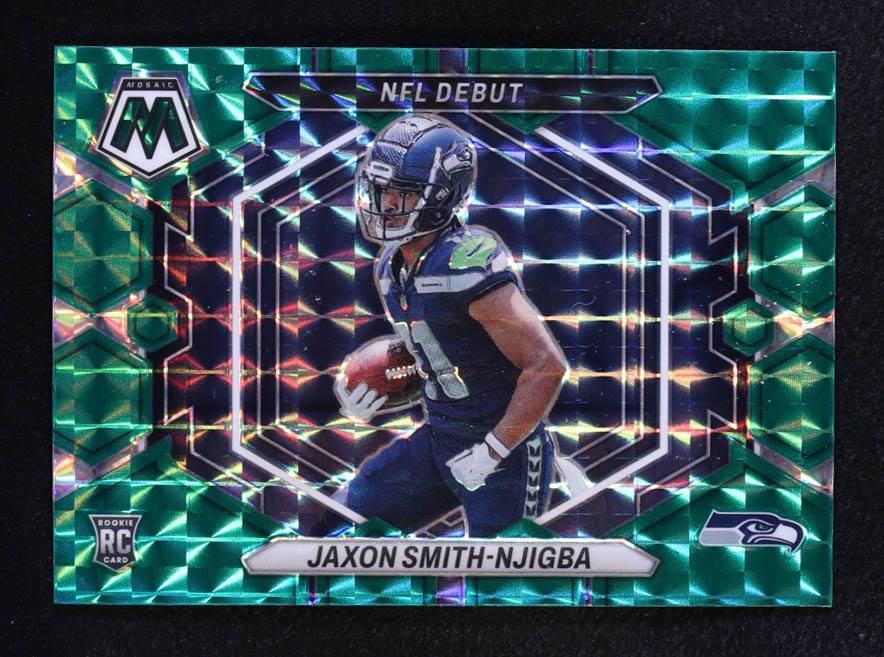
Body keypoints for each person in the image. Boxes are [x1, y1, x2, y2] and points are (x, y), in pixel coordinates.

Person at [334, 114, 568, 537]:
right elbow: (443, 355)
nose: (387, 204)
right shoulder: (389, 267)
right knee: (341, 517)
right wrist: (371, 391)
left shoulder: (466, 263)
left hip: (506, 454)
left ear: (442, 197)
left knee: (498, 569)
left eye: (403, 193)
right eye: (382, 189)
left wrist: (492, 450)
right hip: (440, 438)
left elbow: (546, 366)